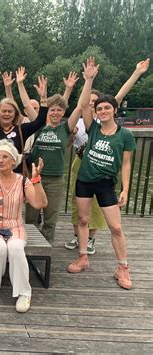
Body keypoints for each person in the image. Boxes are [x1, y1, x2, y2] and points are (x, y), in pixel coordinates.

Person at [65, 58, 150, 253]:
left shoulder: (106, 121)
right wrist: (88, 80)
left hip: (102, 169)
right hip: (81, 163)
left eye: (99, 103)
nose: (96, 105)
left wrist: (136, 73)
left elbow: (119, 95)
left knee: (96, 207)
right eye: (93, 103)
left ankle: (91, 239)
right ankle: (78, 235)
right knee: (78, 204)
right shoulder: (82, 121)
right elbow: (80, 110)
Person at [67, 86, 137, 289]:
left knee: (115, 227)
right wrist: (88, 80)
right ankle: (82, 257)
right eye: (100, 108)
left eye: (107, 107)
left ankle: (122, 268)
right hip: (85, 180)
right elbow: (82, 106)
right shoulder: (93, 129)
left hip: (106, 183)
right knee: (83, 220)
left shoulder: (125, 135)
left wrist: (124, 189)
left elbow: (126, 164)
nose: (103, 111)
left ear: (114, 110)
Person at [24, 59, 98, 243]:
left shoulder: (66, 128)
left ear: (62, 112)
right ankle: (29, 246)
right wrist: (20, 84)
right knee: (31, 217)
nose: (55, 113)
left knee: (50, 218)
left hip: (56, 179)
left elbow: (81, 107)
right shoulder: (40, 125)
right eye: (51, 110)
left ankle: (45, 248)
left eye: (58, 110)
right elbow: (26, 105)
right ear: (46, 111)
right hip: (35, 178)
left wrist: (88, 80)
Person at [0, 139, 47, 313]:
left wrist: (36, 180)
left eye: (5, 157)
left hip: (14, 226)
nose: (1, 160)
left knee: (15, 248)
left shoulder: (23, 181)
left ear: (14, 160)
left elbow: (39, 204)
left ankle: (24, 292)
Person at [0, 71, 48, 174]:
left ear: (15, 113)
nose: (6, 114)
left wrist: (43, 99)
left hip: (15, 176)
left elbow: (40, 121)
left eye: (10, 111)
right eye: (4, 111)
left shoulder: (21, 129)